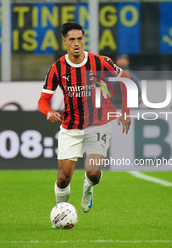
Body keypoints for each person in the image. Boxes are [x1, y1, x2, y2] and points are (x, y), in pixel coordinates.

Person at [38, 22, 131, 215]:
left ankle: (88, 187)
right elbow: (43, 100)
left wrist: (125, 110)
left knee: (94, 174)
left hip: (99, 124)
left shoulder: (100, 62)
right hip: (71, 127)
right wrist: (48, 112)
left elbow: (126, 79)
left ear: (83, 39)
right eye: (71, 39)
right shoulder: (57, 69)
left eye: (79, 38)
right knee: (63, 178)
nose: (76, 43)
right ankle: (60, 213)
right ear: (64, 41)